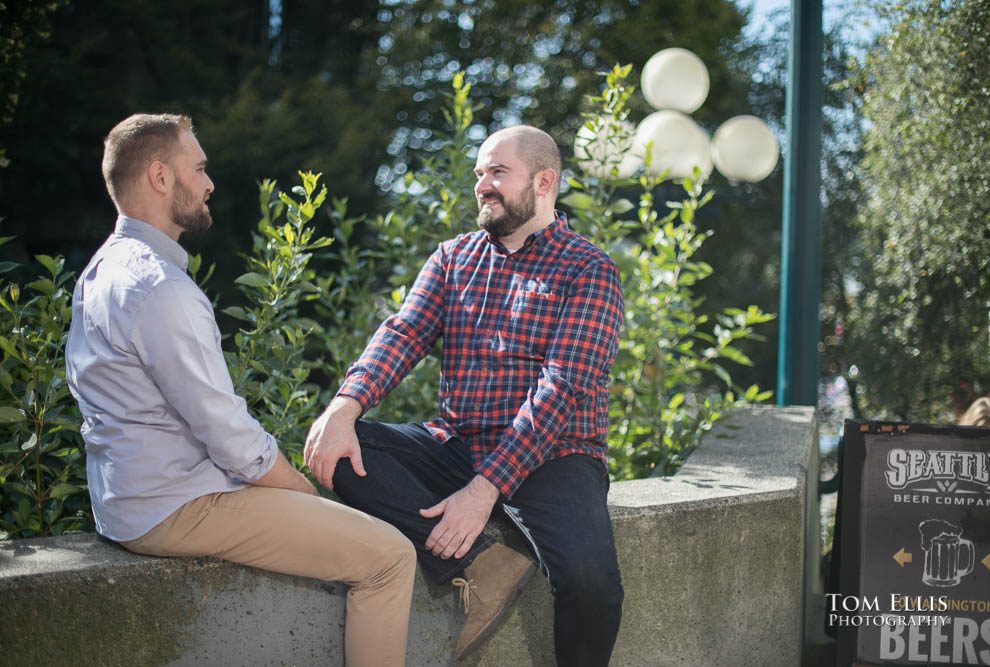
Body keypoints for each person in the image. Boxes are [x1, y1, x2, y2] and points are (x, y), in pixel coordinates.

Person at [66, 113, 416, 667]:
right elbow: (227, 434)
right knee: (389, 556)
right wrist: (301, 492)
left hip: (128, 500)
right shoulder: (159, 287)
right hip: (177, 506)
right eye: (199, 168)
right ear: (160, 177)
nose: (209, 184)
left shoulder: (100, 271)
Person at [305, 125, 625, 665]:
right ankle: (484, 564)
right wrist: (345, 405)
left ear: (544, 182)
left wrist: (484, 492)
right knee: (340, 449)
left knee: (593, 584)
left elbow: (560, 389)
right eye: (479, 174)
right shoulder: (454, 258)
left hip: (555, 456)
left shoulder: (589, 270)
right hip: (457, 444)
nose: (483, 185)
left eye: (498, 172)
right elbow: (404, 333)